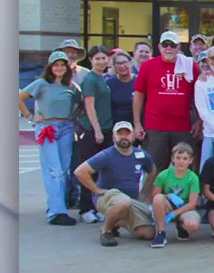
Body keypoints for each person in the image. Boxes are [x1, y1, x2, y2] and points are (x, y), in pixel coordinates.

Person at [20, 51, 82, 225]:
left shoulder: (71, 86)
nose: (60, 68)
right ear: (50, 67)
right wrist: (30, 116)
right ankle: (56, 212)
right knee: (54, 171)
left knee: (63, 170)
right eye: (56, 65)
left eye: (63, 64)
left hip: (66, 128)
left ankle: (58, 207)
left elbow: (81, 104)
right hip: (47, 128)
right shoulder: (41, 84)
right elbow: (19, 97)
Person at [73, 121, 157, 245]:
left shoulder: (142, 155)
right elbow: (80, 172)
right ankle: (106, 231)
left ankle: (116, 222)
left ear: (133, 136)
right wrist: (96, 190)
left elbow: (152, 171)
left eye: (127, 133)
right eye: (120, 134)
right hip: (108, 198)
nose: (124, 136)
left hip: (130, 201)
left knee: (149, 233)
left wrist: (145, 192)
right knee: (123, 201)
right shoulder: (106, 155)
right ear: (113, 137)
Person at [132, 31, 199, 173]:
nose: (169, 48)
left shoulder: (189, 65)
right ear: (159, 47)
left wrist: (199, 121)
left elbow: (198, 95)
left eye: (173, 45)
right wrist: (137, 123)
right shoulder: (148, 66)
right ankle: (149, 195)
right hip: (154, 125)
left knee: (183, 166)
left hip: (182, 126)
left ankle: (181, 195)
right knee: (153, 167)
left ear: (179, 48)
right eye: (165, 45)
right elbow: (139, 96)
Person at [74, 45, 114, 223]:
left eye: (104, 58)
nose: (101, 61)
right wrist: (97, 129)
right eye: (97, 58)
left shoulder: (103, 78)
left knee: (100, 173)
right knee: (88, 171)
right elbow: (89, 107)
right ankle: (85, 209)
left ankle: (95, 206)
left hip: (106, 129)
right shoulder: (90, 79)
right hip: (91, 131)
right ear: (90, 60)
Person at [149, 142, 202, 247]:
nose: (181, 161)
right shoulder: (163, 175)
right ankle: (160, 233)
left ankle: (181, 226)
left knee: (193, 224)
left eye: (185, 158)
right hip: (168, 205)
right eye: (178, 157)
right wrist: (167, 196)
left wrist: (174, 214)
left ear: (190, 160)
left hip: (185, 207)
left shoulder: (193, 178)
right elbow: (155, 196)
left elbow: (192, 204)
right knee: (159, 198)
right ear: (172, 159)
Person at [107, 49, 137, 126]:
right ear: (113, 66)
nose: (122, 66)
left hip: (135, 126)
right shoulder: (108, 83)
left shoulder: (139, 81)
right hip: (114, 126)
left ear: (131, 62)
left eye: (124, 62)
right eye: (118, 63)